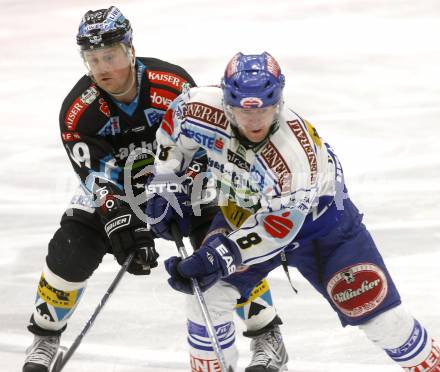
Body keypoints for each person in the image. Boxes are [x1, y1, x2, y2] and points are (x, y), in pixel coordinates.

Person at [22, 7, 285, 372]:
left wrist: (182, 185)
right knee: (71, 246)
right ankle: (45, 338)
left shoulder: (172, 84)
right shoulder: (78, 111)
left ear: (130, 49)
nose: (102, 68)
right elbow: (97, 177)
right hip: (120, 189)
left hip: (185, 185)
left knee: (223, 241)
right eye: (92, 59)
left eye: (110, 56)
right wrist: (121, 220)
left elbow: (208, 147)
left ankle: (266, 335)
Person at [146, 51, 440, 371]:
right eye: (244, 111)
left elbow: (277, 229)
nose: (255, 121)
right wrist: (166, 180)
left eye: (265, 109)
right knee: (206, 298)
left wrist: (217, 256)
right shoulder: (198, 107)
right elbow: (173, 131)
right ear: (227, 102)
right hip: (243, 214)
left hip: (323, 227)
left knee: (385, 322)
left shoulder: (292, 155)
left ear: (279, 101)